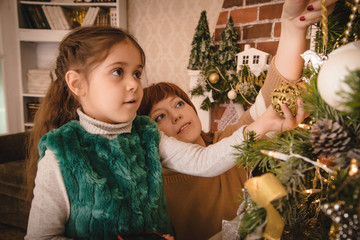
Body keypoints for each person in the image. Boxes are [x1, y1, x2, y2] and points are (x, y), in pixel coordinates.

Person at [24, 25, 304, 240]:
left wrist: (262, 125)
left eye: (137, 73)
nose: (133, 84)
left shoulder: (148, 135)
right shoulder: (61, 153)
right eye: (117, 72)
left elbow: (204, 160)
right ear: (77, 83)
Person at [137, 0, 337, 239]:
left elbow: (274, 92)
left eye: (179, 103)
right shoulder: (152, 188)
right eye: (160, 116)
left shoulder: (230, 140)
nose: (177, 115)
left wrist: (293, 25)